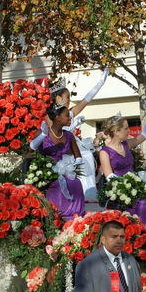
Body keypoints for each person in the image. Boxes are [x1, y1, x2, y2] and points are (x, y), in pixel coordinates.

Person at [98, 105, 146, 238]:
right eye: (126, 128)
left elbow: (145, 135)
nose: (129, 131)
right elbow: (109, 176)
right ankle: (139, 236)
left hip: (135, 185)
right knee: (140, 203)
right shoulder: (105, 152)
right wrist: (126, 186)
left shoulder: (126, 144)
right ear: (116, 131)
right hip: (120, 189)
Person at [51, 67, 109, 200]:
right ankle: (80, 192)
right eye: (67, 97)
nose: (69, 99)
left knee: (87, 155)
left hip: (74, 146)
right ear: (58, 98)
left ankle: (90, 190)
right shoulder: (51, 116)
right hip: (62, 148)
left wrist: (100, 82)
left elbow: (86, 99)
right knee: (83, 155)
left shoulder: (70, 113)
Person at [30, 104, 85, 221]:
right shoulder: (42, 132)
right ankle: (57, 213)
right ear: (57, 117)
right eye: (67, 116)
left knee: (76, 182)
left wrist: (72, 165)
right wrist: (43, 135)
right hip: (47, 170)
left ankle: (76, 216)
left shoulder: (69, 135)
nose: (70, 118)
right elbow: (32, 148)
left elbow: (78, 156)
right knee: (59, 184)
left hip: (65, 169)